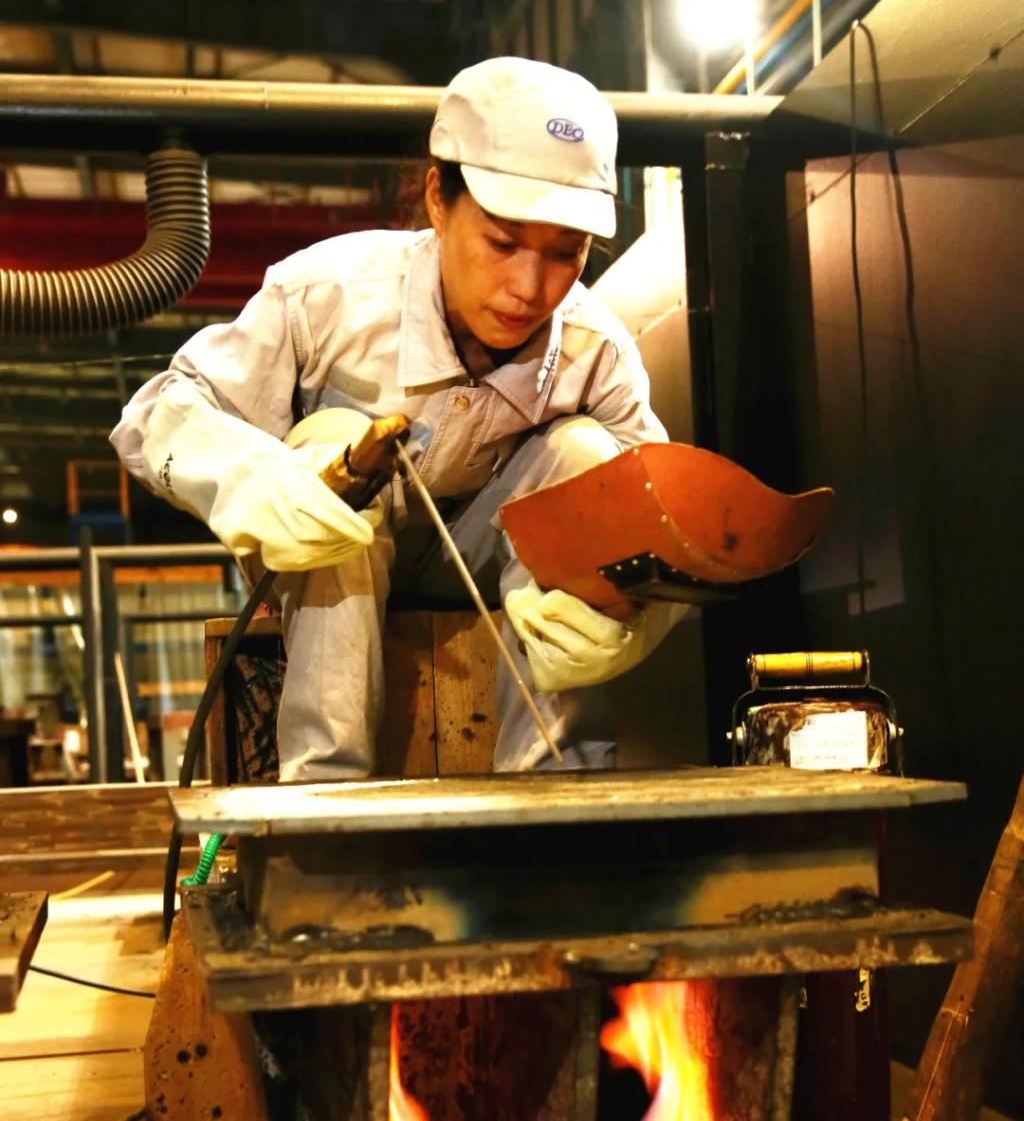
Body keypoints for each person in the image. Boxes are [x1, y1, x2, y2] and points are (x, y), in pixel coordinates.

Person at [110, 56, 687, 780]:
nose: (529, 286)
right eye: (503, 242)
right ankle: (327, 792)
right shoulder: (328, 296)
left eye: (565, 253)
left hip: (486, 568)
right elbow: (153, 418)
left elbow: (662, 525)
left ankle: (556, 787)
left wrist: (641, 617)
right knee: (333, 449)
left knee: (585, 459)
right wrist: (252, 479)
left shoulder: (595, 351)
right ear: (438, 199)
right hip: (329, 573)